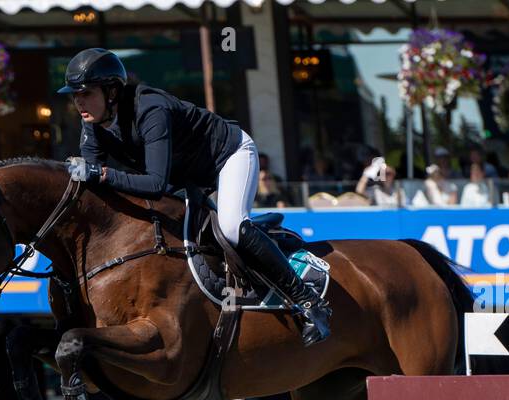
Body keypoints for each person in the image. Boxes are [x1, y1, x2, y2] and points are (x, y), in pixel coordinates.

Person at [59, 48, 328, 343]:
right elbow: (93, 183)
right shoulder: (92, 124)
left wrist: (103, 175)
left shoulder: (151, 109)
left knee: (232, 228)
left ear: (111, 92)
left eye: (86, 93)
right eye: (75, 95)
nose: (79, 102)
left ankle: (308, 302)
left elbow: (154, 184)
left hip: (228, 157)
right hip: (186, 176)